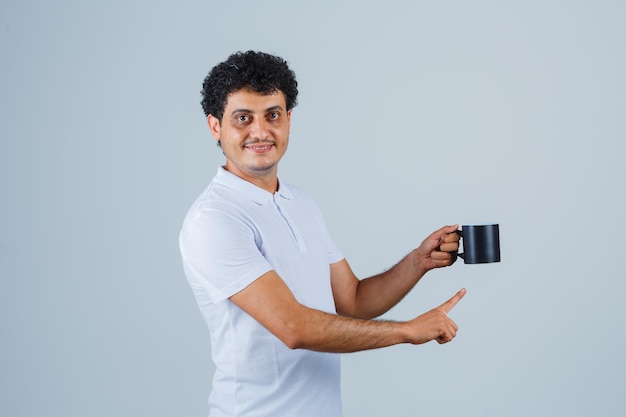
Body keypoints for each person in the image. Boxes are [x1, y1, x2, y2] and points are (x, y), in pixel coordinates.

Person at [179, 50, 465, 417]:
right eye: (242, 118)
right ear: (215, 126)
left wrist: (417, 262)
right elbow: (293, 327)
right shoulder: (215, 219)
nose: (260, 131)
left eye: (273, 115)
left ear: (288, 120)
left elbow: (352, 302)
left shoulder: (299, 201)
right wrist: (406, 331)